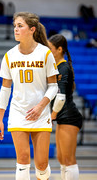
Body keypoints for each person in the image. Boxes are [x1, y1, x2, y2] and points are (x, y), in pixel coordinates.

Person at [0, 12, 59, 180]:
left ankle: (43, 174)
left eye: (20, 26)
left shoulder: (45, 53)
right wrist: (0, 119)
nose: (15, 29)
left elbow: (53, 87)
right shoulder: (9, 55)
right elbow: (5, 90)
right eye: (15, 26)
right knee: (22, 160)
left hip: (40, 113)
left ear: (32, 29)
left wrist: (40, 107)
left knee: (41, 165)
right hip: (18, 112)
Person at [48, 34, 83, 180]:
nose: (48, 52)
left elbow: (61, 96)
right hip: (63, 117)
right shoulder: (57, 67)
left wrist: (52, 116)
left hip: (69, 116)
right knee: (61, 157)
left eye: (50, 49)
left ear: (59, 49)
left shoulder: (63, 67)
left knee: (68, 159)